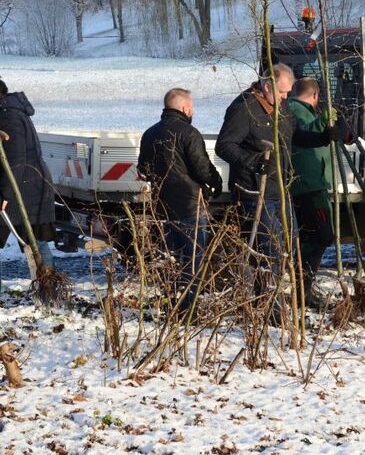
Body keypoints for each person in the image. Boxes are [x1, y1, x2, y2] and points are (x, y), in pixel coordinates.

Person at [215, 64, 337, 284]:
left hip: (281, 187)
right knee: (268, 250)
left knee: (290, 245)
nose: (286, 97)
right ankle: (268, 305)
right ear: (268, 86)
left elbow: (295, 135)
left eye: (288, 92)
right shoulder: (245, 108)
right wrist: (254, 162)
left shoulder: (282, 106)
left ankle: (282, 299)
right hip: (254, 191)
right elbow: (224, 145)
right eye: (282, 92)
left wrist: (323, 138)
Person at [137, 88, 222, 310]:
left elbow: (143, 169)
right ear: (185, 108)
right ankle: (187, 307)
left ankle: (170, 301)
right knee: (192, 258)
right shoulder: (189, 133)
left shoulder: (149, 133)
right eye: (191, 108)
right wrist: (216, 182)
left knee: (170, 258)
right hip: (189, 204)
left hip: (162, 206)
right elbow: (202, 168)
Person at [288, 78, 334, 308]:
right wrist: (326, 120)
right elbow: (304, 134)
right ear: (315, 95)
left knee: (312, 237)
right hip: (308, 187)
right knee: (319, 237)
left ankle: (303, 290)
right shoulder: (295, 111)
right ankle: (302, 291)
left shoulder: (297, 109)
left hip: (310, 184)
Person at [0, 80, 55, 266]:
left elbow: (15, 160)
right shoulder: (9, 112)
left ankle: (49, 290)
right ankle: (48, 290)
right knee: (35, 245)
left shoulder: (8, 117)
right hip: (24, 187)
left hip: (24, 190)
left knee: (36, 244)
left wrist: (5, 194)